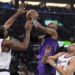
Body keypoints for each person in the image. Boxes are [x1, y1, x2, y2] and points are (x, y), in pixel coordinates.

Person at [0, 4, 33, 75]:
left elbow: (7, 24)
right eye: (6, 31)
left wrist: (18, 13)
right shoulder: (5, 43)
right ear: (2, 33)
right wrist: (28, 30)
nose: (7, 31)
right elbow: (24, 46)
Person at [26, 10, 58, 75]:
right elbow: (31, 39)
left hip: (48, 61)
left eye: (52, 24)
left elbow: (38, 27)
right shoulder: (43, 37)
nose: (50, 24)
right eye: (49, 24)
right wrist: (29, 25)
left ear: (55, 28)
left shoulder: (54, 33)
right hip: (41, 61)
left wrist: (33, 18)